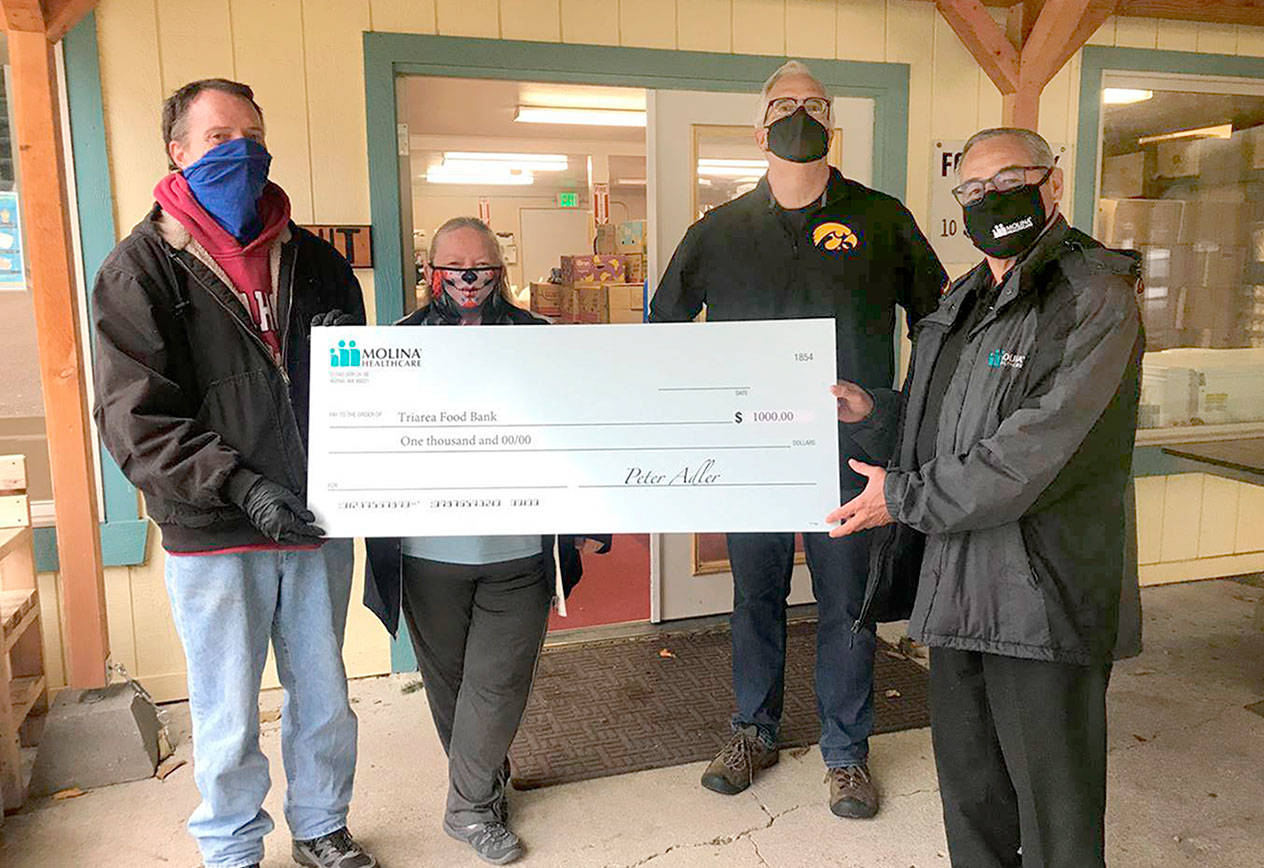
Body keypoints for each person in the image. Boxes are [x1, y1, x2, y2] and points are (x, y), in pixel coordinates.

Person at [828, 127, 1144, 867]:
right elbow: (944, 422)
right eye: (971, 191)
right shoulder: (964, 298)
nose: (988, 200)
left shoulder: (1093, 294)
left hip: (1043, 596)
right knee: (971, 799)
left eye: (1008, 181)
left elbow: (1032, 452)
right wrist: (874, 411)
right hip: (959, 587)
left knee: (1056, 816)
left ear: (1052, 184)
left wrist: (902, 499)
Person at [650, 60, 947, 818]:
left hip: (851, 456)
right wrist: (698, 412)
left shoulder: (883, 220)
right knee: (755, 596)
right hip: (751, 454)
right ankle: (755, 730)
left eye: (814, 104)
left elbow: (940, 325)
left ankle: (846, 754)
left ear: (831, 123)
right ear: (759, 130)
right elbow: (662, 333)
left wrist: (893, 411)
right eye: (786, 105)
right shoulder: (716, 231)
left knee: (848, 604)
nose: (800, 114)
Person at [91, 79, 376, 868]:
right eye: (218, 137)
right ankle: (231, 846)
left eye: (251, 133)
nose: (240, 150)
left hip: (316, 521)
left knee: (324, 697)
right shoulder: (140, 270)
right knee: (227, 708)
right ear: (177, 152)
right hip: (215, 530)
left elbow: (365, 384)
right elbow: (133, 420)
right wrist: (242, 486)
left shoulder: (316, 261)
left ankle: (321, 826)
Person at [363, 217, 609, 865]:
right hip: (424, 557)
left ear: (500, 269)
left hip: (518, 553)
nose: (468, 278)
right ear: (431, 270)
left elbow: (579, 429)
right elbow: (364, 441)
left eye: (482, 266)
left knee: (498, 683)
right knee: (451, 686)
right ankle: (484, 785)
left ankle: (466, 809)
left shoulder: (543, 340)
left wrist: (597, 507)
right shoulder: (392, 347)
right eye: (454, 265)